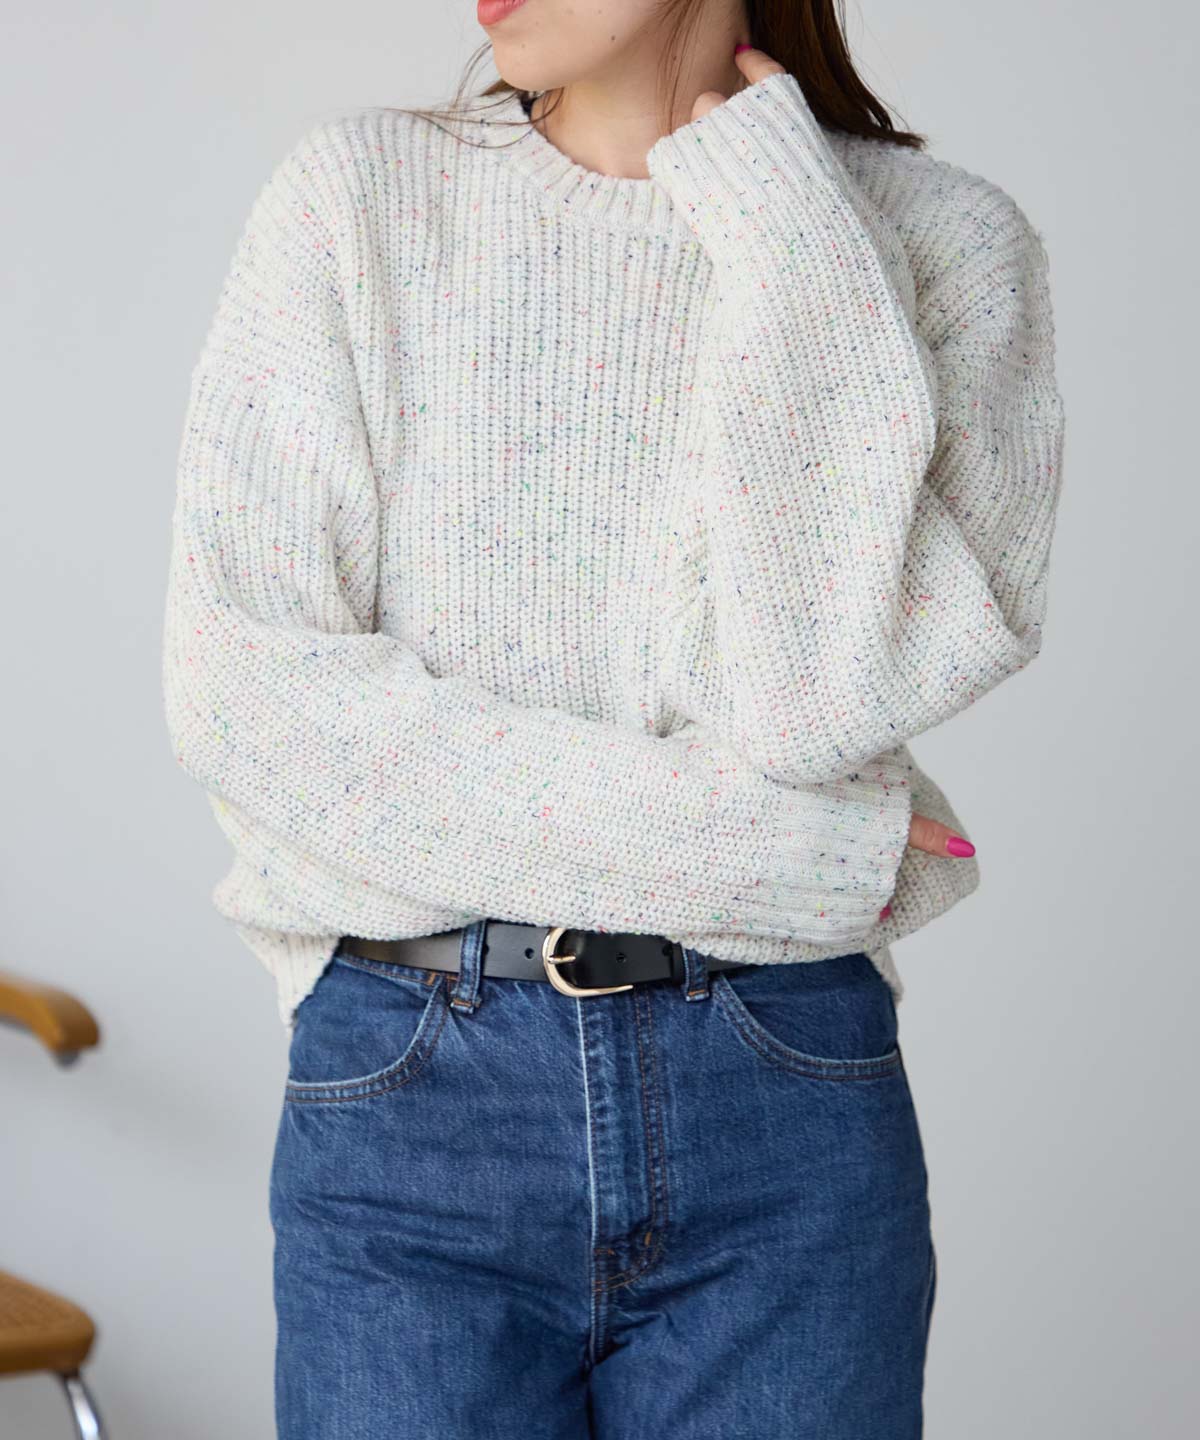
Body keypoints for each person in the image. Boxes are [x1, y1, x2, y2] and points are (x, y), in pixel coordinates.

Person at [161, 0, 1066, 1434]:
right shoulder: (360, 203)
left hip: (784, 1116)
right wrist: (801, 858)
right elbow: (250, 703)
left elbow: (813, 696)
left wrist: (788, 231)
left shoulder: (945, 249)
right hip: (412, 1098)